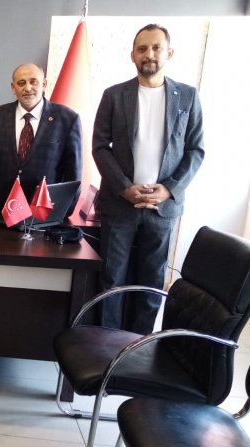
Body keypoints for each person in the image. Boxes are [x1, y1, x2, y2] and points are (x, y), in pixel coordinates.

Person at [93, 24, 204, 334]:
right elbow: (100, 147)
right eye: (142, 49)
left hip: (162, 208)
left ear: (169, 53)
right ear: (132, 55)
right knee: (112, 280)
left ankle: (139, 347)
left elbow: (196, 150)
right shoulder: (114, 95)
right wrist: (124, 188)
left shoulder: (188, 96)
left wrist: (169, 189)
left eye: (156, 48)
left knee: (151, 282)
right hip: (120, 205)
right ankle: (106, 347)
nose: (149, 54)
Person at [0, 63, 81, 218]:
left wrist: (63, 212)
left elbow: (74, 173)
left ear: (44, 84)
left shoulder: (67, 119)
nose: (27, 88)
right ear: (13, 88)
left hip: (43, 214)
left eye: (33, 82)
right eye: (21, 83)